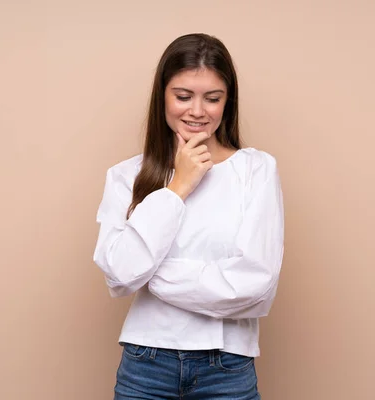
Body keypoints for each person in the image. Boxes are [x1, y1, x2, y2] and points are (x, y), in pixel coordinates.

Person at [93, 33, 284, 400]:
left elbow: (256, 286)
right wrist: (178, 187)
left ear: (228, 102)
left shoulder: (256, 170)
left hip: (227, 367)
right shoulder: (125, 176)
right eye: (183, 96)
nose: (197, 111)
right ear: (162, 96)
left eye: (212, 99)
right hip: (145, 364)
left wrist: (153, 274)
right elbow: (118, 275)